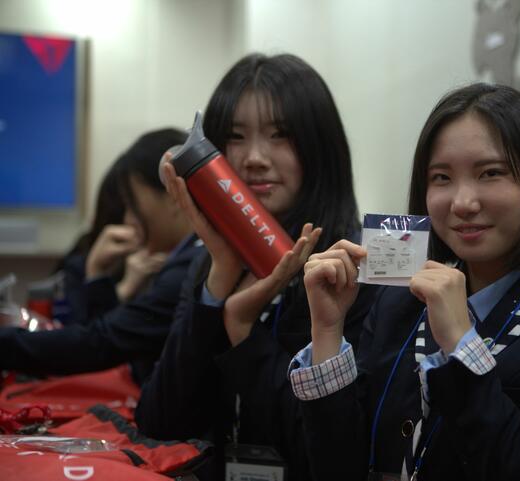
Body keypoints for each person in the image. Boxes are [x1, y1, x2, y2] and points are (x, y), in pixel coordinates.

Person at [290, 83, 520, 481]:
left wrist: (461, 345)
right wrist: (329, 332)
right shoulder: (397, 305)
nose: (462, 202)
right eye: (441, 177)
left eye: (490, 173)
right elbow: (339, 469)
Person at [134, 53, 378, 481]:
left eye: (280, 134)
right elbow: (159, 421)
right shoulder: (208, 265)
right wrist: (219, 280)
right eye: (235, 136)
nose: (254, 158)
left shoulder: (352, 269)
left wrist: (243, 333)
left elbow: (333, 459)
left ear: (320, 146)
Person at [0, 128, 202, 384]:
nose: (129, 218)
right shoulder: (187, 258)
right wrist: (98, 276)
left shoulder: (188, 269)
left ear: (173, 193)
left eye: (132, 203)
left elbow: (100, 344)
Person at [55, 159, 166, 325]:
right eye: (128, 208)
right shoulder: (83, 259)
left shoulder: (177, 259)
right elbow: (83, 339)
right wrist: (121, 287)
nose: (130, 219)